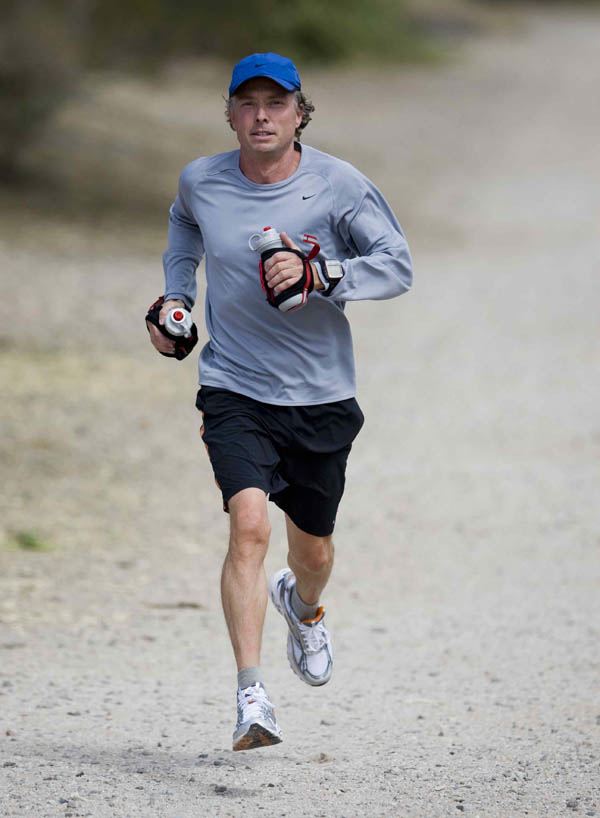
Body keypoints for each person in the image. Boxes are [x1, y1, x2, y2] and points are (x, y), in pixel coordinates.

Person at [147, 52, 413, 751]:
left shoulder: (337, 184)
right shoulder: (202, 180)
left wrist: (320, 273)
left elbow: (397, 265)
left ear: (300, 113)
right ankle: (252, 697)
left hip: (321, 395)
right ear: (231, 113)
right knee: (249, 527)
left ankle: (305, 607)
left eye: (276, 104)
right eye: (248, 103)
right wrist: (174, 299)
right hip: (234, 386)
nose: (261, 116)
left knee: (313, 551)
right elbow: (183, 226)